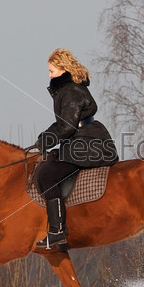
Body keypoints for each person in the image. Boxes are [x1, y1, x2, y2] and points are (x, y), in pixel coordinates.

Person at [34, 48, 119, 249]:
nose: (49, 75)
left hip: (87, 143)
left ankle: (57, 231)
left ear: (63, 69)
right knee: (51, 162)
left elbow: (66, 126)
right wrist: (44, 139)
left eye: (52, 71)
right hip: (81, 140)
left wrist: (45, 141)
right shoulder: (69, 88)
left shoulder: (70, 91)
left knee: (47, 175)